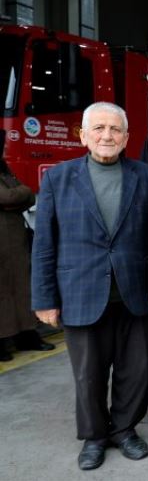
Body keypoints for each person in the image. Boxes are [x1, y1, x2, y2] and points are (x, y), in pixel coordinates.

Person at [31, 102, 148, 470]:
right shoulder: (58, 179)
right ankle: (94, 436)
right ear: (83, 135)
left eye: (115, 130)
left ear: (127, 138)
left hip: (134, 292)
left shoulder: (145, 177)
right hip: (80, 292)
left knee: (134, 368)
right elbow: (44, 244)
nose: (107, 136)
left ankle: (124, 430)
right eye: (99, 129)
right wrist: (45, 299)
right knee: (88, 374)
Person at [0, 130, 55, 361]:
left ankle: (26, 335)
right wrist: (19, 195)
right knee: (3, 289)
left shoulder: (3, 167)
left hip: (14, 238)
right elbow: (8, 198)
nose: (5, 149)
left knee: (22, 286)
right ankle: (4, 340)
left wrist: (19, 195)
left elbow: (28, 196)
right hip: (5, 239)